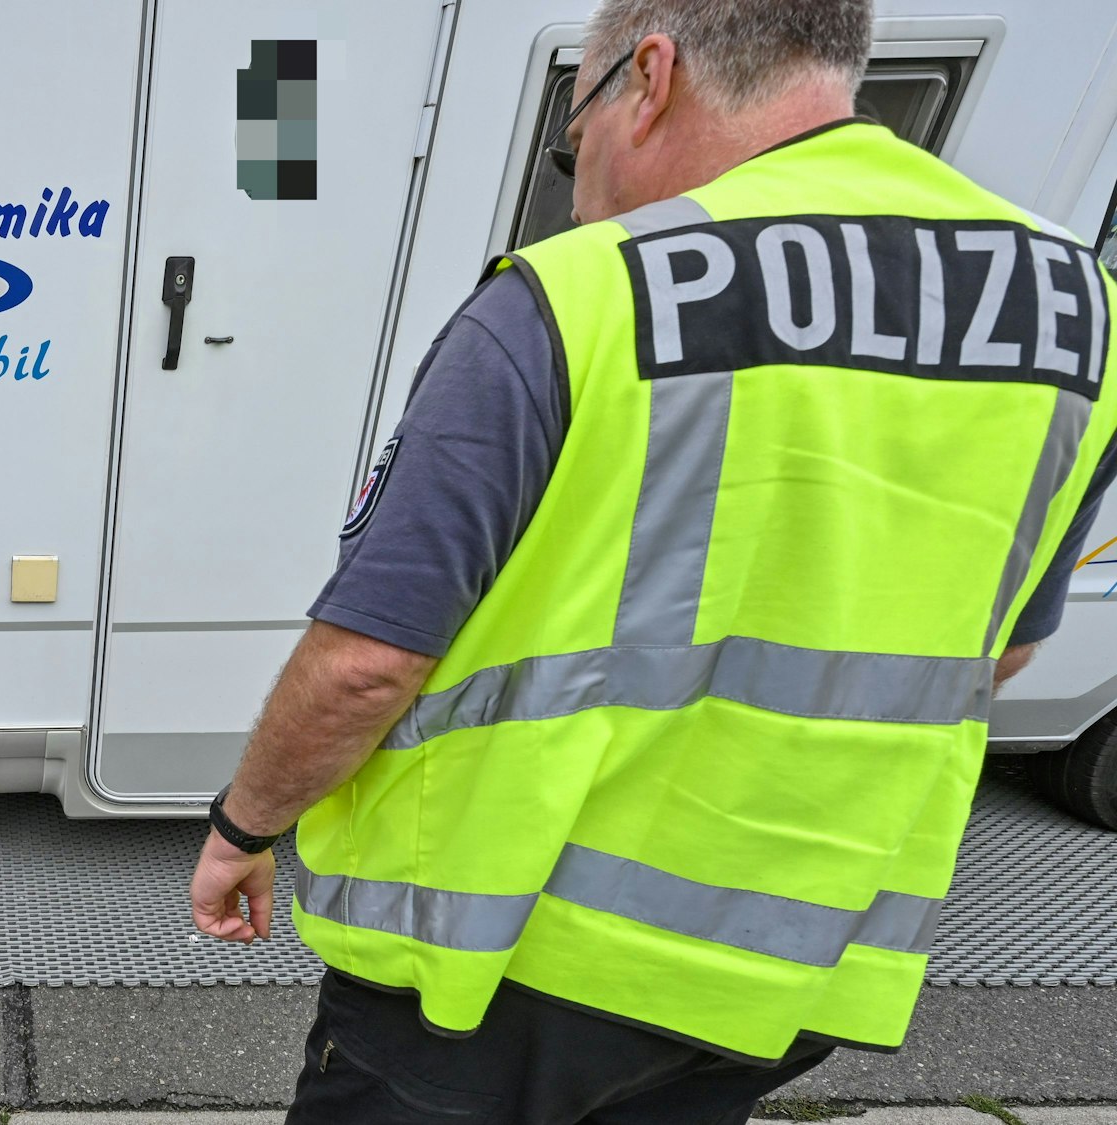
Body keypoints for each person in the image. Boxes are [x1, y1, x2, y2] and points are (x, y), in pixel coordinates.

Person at [189, 1, 1117, 1121]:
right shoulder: (1082, 317)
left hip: (503, 960)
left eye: (572, 141)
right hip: (781, 970)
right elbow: (999, 648)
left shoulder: (577, 295)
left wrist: (243, 828)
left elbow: (364, 666)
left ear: (650, 75)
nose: (581, 187)